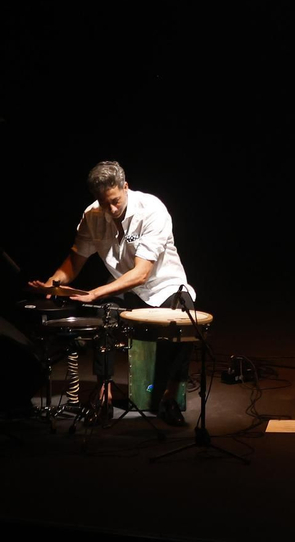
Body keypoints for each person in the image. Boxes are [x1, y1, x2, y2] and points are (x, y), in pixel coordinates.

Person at [31, 160, 197, 426]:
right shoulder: (92, 215)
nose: (111, 209)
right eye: (104, 203)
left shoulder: (152, 210)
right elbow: (75, 260)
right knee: (104, 315)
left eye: (115, 201)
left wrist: (96, 292)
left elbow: (142, 273)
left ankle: (169, 398)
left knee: (184, 322)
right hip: (122, 283)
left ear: (126, 187)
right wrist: (54, 282)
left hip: (162, 283)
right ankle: (104, 393)